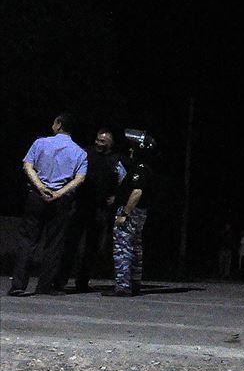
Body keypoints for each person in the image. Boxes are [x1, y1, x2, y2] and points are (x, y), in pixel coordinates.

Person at [8, 113, 88, 297]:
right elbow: (80, 178)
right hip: (61, 199)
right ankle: (44, 286)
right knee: (55, 243)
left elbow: (27, 166)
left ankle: (18, 285)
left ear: (58, 125)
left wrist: (40, 187)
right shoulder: (80, 152)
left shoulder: (40, 143)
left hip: (37, 196)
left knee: (28, 240)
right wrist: (59, 192)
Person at [59, 127, 125, 292]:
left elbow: (123, 181)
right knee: (70, 244)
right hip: (81, 205)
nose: (98, 143)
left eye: (102, 141)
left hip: (100, 209)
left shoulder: (116, 160)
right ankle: (60, 280)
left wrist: (116, 197)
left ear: (110, 143)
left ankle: (82, 282)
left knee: (92, 247)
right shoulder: (85, 153)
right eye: (97, 139)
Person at [103, 129, 156, 297]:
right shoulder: (144, 168)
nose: (131, 150)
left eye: (134, 147)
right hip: (139, 213)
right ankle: (134, 282)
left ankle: (123, 286)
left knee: (122, 248)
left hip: (131, 213)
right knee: (135, 247)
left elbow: (137, 191)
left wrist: (125, 213)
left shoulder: (140, 169)